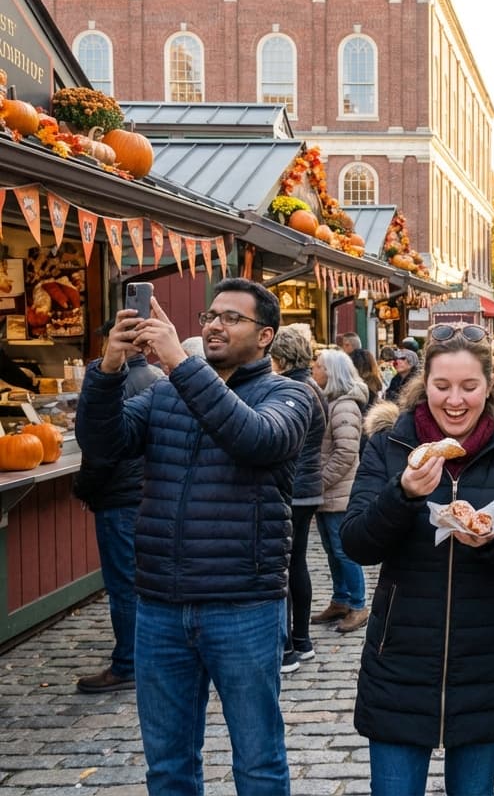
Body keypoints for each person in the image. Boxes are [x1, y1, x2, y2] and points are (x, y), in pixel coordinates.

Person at [75, 278, 311, 793]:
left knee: (258, 762)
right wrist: (110, 368)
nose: (215, 326)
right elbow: (102, 444)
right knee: (169, 765)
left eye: (232, 318)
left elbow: (255, 438)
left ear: (266, 336)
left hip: (243, 604)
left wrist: (181, 365)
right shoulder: (165, 393)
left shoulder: (289, 393)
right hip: (161, 605)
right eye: (210, 317)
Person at [340, 322, 494, 794]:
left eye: (469, 387)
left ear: (490, 387)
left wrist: (493, 538)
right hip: (400, 659)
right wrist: (402, 494)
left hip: (487, 659)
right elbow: (356, 543)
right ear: (423, 384)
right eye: (442, 386)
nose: (455, 400)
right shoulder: (390, 445)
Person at [72, 351, 164, 694]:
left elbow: (99, 451)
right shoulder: (156, 378)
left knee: (123, 582)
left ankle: (128, 662)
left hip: (118, 495)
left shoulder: (117, 384)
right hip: (145, 492)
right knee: (141, 579)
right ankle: (143, 656)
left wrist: (84, 488)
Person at [269, 327, 329, 674]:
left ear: (280, 359)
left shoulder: (294, 388)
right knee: (296, 564)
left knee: (286, 566)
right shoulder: (311, 385)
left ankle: (289, 646)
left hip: (294, 487)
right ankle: (301, 640)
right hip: (306, 487)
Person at [310, 349, 370, 635]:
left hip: (338, 492)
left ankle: (358, 605)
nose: (314, 368)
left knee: (344, 550)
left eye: (319, 365)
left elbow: (346, 452)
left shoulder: (344, 406)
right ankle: (341, 599)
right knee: (332, 551)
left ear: (332, 372)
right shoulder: (330, 402)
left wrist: (319, 481)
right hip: (328, 493)